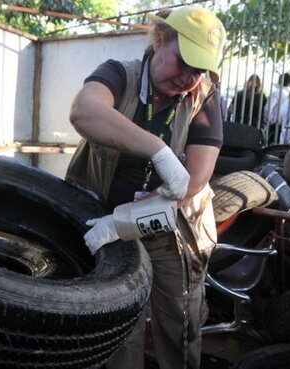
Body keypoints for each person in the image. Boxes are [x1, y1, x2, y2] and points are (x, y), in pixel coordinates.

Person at [65, 6, 225, 369]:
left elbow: (193, 180)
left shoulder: (206, 99)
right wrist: (158, 149)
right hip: (103, 220)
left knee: (180, 320)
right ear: (159, 40)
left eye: (198, 70)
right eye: (182, 62)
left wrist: (126, 221)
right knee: (118, 324)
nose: (188, 78)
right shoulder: (118, 74)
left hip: (172, 228)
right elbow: (83, 111)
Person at [265, 72, 290, 144]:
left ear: (279, 82)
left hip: (276, 125)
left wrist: (271, 120)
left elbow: (267, 108)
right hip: (289, 127)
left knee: (272, 148)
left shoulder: (276, 93)